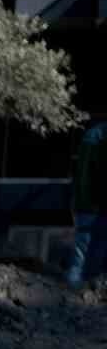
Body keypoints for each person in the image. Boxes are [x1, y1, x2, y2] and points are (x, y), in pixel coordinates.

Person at [69, 117, 107, 290]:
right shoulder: (98, 137)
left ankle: (74, 293)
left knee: (81, 252)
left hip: (85, 204)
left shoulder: (93, 135)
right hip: (94, 205)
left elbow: (82, 173)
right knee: (88, 254)